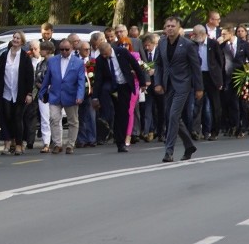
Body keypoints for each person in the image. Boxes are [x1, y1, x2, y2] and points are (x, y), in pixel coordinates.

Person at [154, 17, 201, 163]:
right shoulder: (161, 43)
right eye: (167, 26)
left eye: (173, 26)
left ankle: (169, 152)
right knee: (172, 116)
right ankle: (189, 146)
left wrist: (199, 87)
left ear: (178, 27)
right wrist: (158, 82)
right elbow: (158, 64)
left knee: (173, 115)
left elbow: (195, 67)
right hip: (168, 84)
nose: (170, 28)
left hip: (183, 84)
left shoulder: (187, 44)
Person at [92, 41, 145, 153]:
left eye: (106, 54)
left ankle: (120, 141)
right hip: (110, 87)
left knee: (123, 114)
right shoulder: (100, 60)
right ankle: (106, 122)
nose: (105, 56)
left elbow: (135, 65)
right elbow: (98, 79)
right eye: (102, 54)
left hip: (124, 86)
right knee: (110, 109)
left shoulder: (122, 52)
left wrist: (142, 82)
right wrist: (95, 97)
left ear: (110, 49)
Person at [39, 38, 86, 155]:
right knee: (54, 119)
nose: (64, 52)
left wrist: (80, 95)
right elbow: (47, 78)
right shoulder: (52, 61)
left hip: (71, 95)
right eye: (61, 49)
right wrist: (42, 91)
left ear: (71, 48)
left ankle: (70, 144)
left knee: (73, 121)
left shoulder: (78, 62)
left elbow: (81, 81)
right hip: (55, 94)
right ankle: (57, 144)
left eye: (66, 49)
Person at [0, 32, 35, 155]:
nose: (15, 40)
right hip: (5, 92)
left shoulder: (25, 57)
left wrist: (29, 93)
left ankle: (18, 144)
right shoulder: (4, 55)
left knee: (17, 118)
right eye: (14, 38)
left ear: (22, 42)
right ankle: (7, 144)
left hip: (19, 93)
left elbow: (29, 77)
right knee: (6, 118)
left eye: (18, 38)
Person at [190, 25, 224, 141]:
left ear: (201, 33)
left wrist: (219, 80)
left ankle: (214, 131)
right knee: (197, 104)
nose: (192, 36)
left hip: (212, 76)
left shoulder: (213, 44)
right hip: (199, 76)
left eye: (194, 34)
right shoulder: (193, 45)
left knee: (215, 105)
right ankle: (196, 130)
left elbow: (220, 62)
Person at [34, 41, 55, 151]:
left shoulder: (55, 62)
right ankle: (46, 143)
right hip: (43, 94)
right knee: (44, 119)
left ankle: (56, 141)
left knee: (55, 118)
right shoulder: (40, 64)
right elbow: (36, 79)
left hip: (54, 93)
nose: (40, 51)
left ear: (47, 50)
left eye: (41, 49)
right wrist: (41, 85)